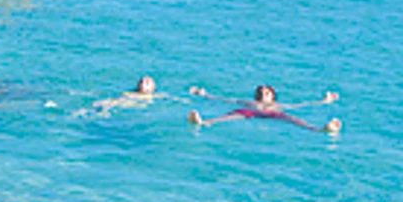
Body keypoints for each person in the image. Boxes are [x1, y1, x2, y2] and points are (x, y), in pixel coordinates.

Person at [187, 85, 342, 133]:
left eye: (266, 92)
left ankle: (320, 129)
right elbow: (224, 100)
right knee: (228, 116)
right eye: (260, 92)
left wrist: (324, 101)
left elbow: (303, 104)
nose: (263, 94)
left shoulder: (278, 106)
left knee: (295, 120)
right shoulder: (249, 103)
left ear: (272, 96)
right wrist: (204, 94)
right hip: (251, 112)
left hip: (273, 114)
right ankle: (202, 123)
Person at [82, 76, 173, 116]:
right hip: (125, 101)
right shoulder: (132, 93)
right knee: (101, 103)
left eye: (148, 81)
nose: (146, 80)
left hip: (126, 102)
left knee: (104, 104)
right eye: (143, 81)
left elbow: (172, 98)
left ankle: (86, 112)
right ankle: (83, 111)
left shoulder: (155, 95)